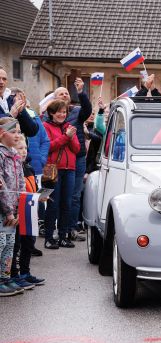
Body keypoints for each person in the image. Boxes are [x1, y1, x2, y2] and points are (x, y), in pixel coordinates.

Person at [52, 78, 93, 243]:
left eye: (66, 93)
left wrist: (81, 93)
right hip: (58, 160)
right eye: (60, 93)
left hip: (78, 158)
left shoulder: (77, 111)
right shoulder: (50, 116)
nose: (64, 95)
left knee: (75, 196)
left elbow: (88, 109)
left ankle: (71, 229)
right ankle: (59, 230)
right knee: (59, 196)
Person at [42, 100, 80, 249]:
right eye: (59, 112)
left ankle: (63, 236)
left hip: (69, 169)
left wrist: (69, 135)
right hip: (53, 169)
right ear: (52, 113)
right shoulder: (45, 126)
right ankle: (49, 238)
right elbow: (49, 146)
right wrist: (66, 136)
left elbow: (76, 149)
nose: (62, 115)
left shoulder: (69, 127)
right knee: (53, 204)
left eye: (64, 112)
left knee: (66, 204)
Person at [12, 135, 45, 287]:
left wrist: (41, 195)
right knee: (16, 244)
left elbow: (33, 189)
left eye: (25, 148)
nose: (24, 151)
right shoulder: (14, 168)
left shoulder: (29, 167)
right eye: (20, 148)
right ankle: (14, 275)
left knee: (29, 243)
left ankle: (25, 272)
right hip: (19, 211)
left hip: (30, 210)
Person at [0, 118, 26, 296]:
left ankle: (5, 277)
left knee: (10, 244)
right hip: (3, 209)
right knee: (1, 243)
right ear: (2, 133)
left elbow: (21, 182)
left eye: (19, 131)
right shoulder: (1, 155)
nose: (18, 135)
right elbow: (2, 186)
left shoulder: (15, 155)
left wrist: (19, 208)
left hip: (13, 209)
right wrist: (9, 211)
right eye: (13, 132)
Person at [0, 68, 39, 138]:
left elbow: (32, 131)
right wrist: (10, 115)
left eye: (4, 79)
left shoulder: (12, 100)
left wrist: (22, 112)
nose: (1, 82)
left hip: (16, 148)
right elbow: (3, 133)